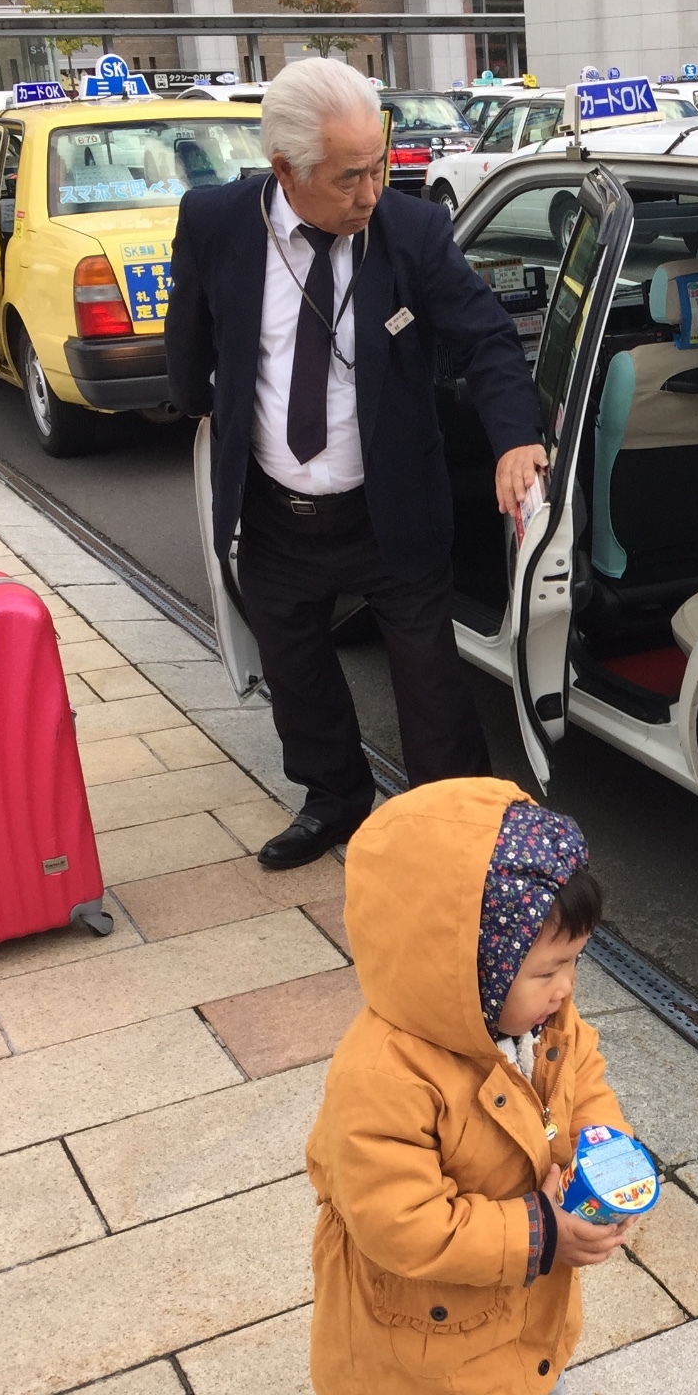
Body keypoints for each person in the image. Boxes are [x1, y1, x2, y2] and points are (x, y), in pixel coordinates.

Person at [166, 58, 547, 871]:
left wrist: (516, 437)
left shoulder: (410, 232)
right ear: (285, 171)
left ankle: (457, 829)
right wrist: (197, 401)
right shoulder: (217, 224)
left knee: (431, 687)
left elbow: (486, 338)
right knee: (295, 671)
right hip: (274, 509)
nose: (372, 191)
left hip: (389, 509)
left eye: (379, 165)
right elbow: (190, 336)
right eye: (350, 178)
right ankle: (335, 800)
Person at [306, 777, 655, 1395]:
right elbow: (402, 1223)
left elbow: (586, 1079)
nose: (567, 988)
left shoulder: (536, 1021)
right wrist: (541, 1232)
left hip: (522, 1289)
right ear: (461, 966)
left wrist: (604, 1152)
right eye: (547, 970)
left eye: (575, 963)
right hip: (437, 1306)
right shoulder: (385, 1073)